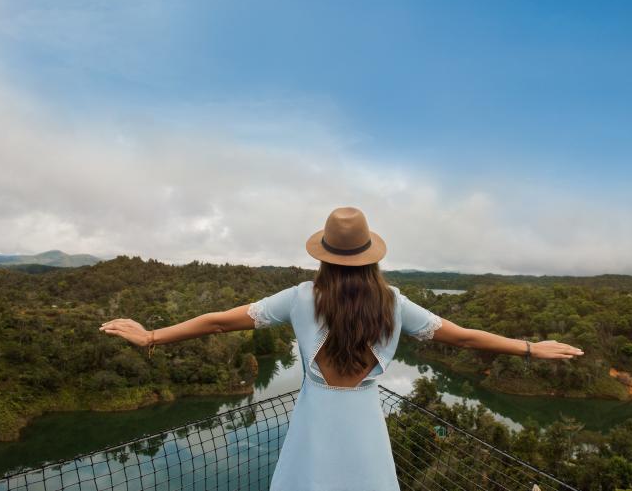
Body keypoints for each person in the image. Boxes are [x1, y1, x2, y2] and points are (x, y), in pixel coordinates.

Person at [99, 206, 584, 491]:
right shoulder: (395, 305)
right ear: (370, 256)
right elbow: (465, 336)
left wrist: (152, 336)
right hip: (364, 428)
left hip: (315, 425)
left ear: (325, 257)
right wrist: (528, 347)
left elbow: (217, 322)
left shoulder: (299, 299)